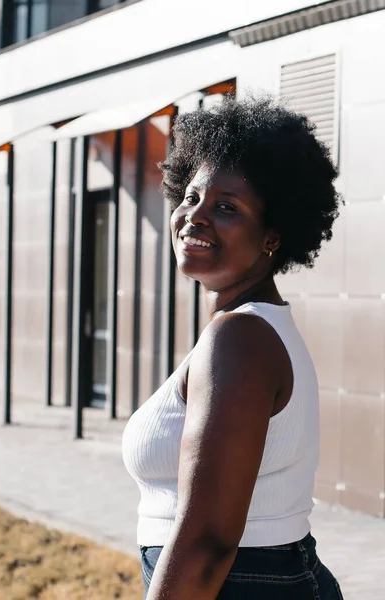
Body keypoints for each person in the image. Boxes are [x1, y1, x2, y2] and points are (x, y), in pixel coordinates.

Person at [122, 95, 344, 599]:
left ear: (272, 236)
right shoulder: (246, 329)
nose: (194, 217)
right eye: (192, 197)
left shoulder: (240, 339)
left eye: (226, 207)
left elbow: (209, 542)